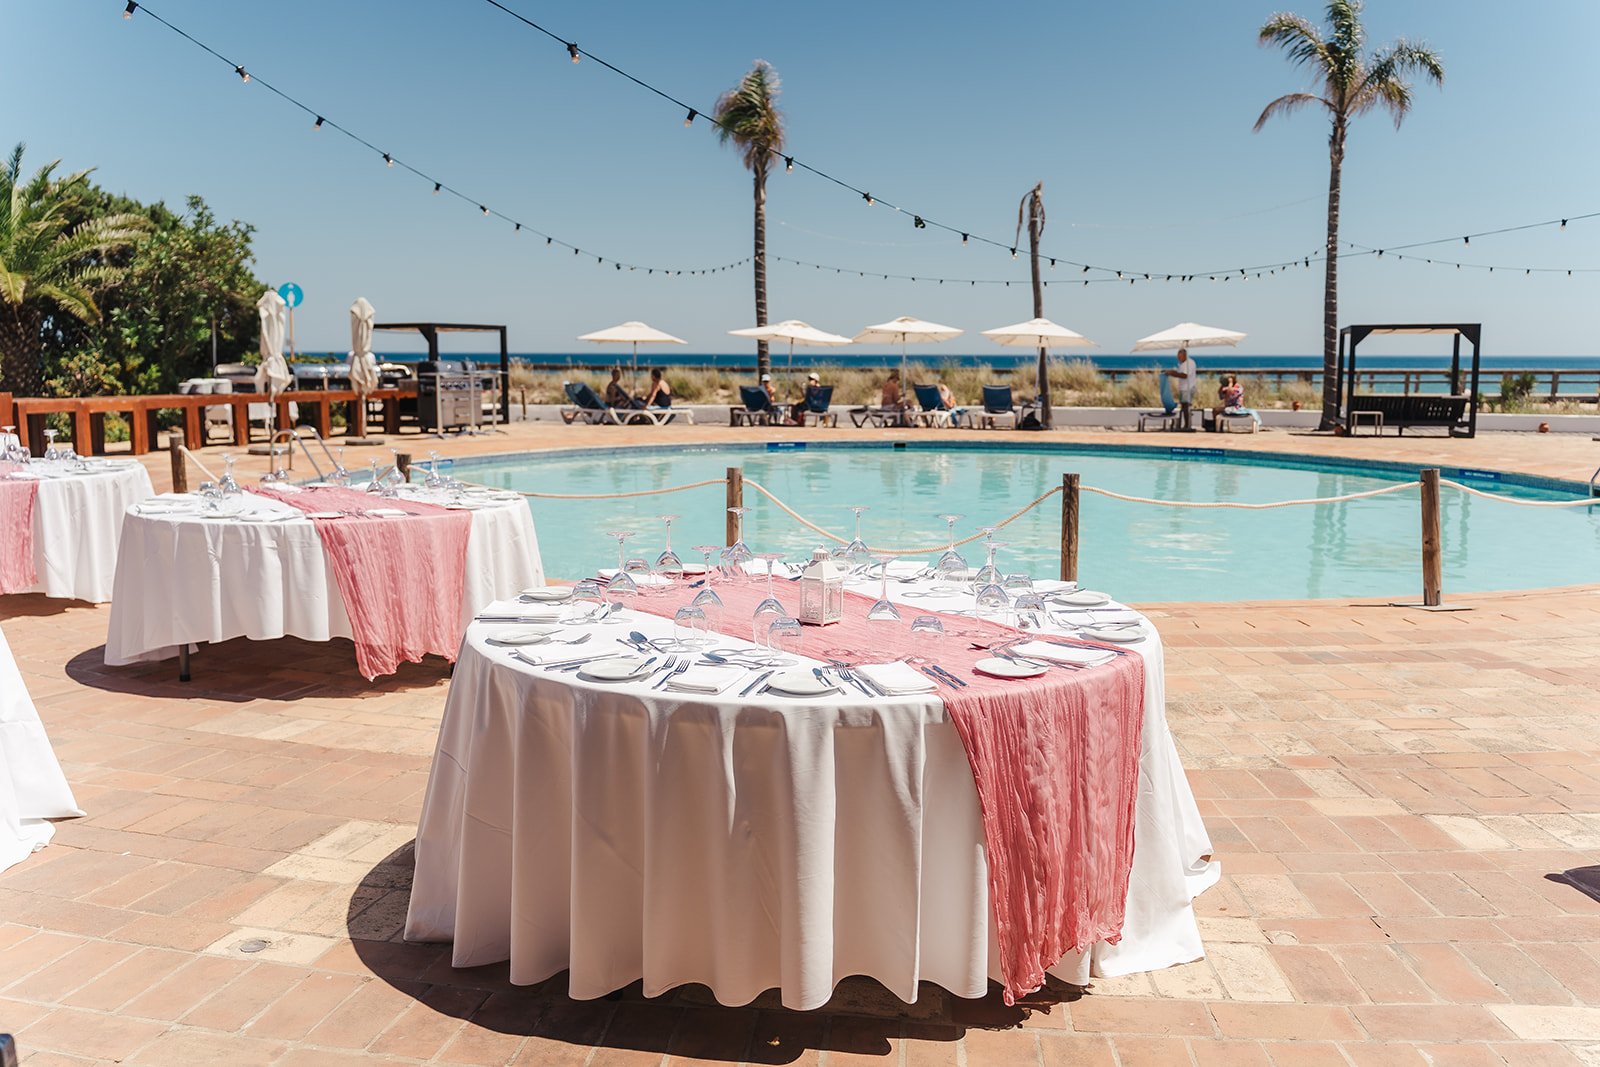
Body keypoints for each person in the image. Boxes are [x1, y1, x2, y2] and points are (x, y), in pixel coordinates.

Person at [1163, 348, 1197, 428]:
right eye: (1178, 357)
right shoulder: (1183, 364)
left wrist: (1172, 373)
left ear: (1185, 355)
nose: (1178, 358)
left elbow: (1184, 375)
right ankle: (1184, 424)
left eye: (1180, 357)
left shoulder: (1189, 363)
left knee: (1186, 406)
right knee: (1184, 406)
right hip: (1183, 388)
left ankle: (1187, 425)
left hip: (1188, 388)